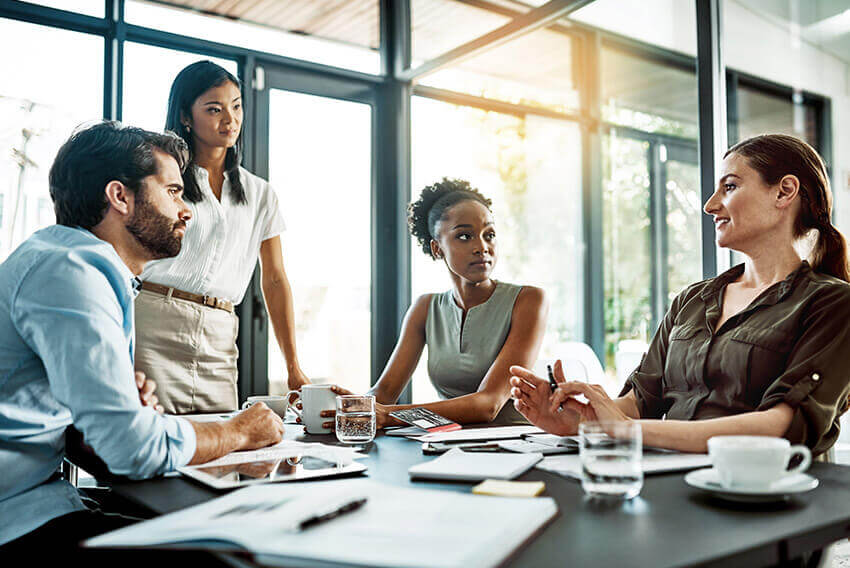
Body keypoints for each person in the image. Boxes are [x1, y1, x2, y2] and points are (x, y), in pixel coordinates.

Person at [0, 122, 284, 560]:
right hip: (17, 519)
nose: (186, 209)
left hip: (37, 500)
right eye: (172, 191)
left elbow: (94, 439)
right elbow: (132, 448)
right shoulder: (72, 273)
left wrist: (117, 413)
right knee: (240, 553)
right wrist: (237, 432)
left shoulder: (67, 263)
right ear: (120, 196)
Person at [511, 134, 850, 458]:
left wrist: (630, 430)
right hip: (668, 481)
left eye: (729, 187)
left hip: (763, 495)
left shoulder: (831, 304)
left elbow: (781, 424)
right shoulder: (692, 300)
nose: (710, 205)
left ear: (784, 192)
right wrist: (579, 419)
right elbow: (639, 402)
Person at [135, 60, 309, 414]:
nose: (229, 120)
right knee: (157, 447)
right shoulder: (161, 179)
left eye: (236, 106)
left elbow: (274, 280)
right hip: (153, 323)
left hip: (220, 333)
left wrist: (292, 366)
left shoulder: (260, 193)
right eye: (214, 109)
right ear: (186, 116)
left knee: (222, 453)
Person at [326, 179, 548, 429]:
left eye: (489, 235)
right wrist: (344, 410)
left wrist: (390, 414)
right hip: (449, 446)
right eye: (465, 236)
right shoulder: (425, 308)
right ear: (437, 248)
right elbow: (385, 391)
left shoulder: (529, 300)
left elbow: (489, 404)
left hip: (521, 448)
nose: (482, 247)